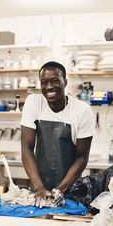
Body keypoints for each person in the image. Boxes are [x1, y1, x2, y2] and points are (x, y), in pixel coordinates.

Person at [21, 61, 94, 207]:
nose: (49, 87)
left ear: (65, 82)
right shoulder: (33, 102)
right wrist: (40, 187)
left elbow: (81, 158)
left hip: (70, 191)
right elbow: (27, 148)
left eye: (55, 81)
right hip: (39, 191)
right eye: (44, 82)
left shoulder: (82, 110)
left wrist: (60, 189)